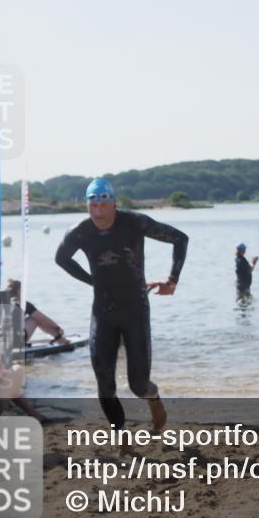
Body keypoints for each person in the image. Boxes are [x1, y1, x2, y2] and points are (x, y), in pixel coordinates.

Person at [55, 178, 188, 433]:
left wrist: (172, 280)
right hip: (102, 313)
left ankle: (154, 398)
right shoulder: (80, 232)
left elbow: (180, 239)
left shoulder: (134, 223)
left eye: (104, 204)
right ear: (87, 206)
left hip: (135, 310)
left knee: (139, 385)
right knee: (104, 386)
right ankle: (121, 436)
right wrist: (92, 281)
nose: (98, 211)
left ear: (114, 203)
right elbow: (61, 259)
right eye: (93, 205)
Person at [7, 279, 70, 346]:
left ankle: (58, 338)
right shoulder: (23, 304)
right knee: (35, 320)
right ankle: (61, 340)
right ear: (19, 291)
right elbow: (43, 318)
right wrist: (57, 328)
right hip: (13, 340)